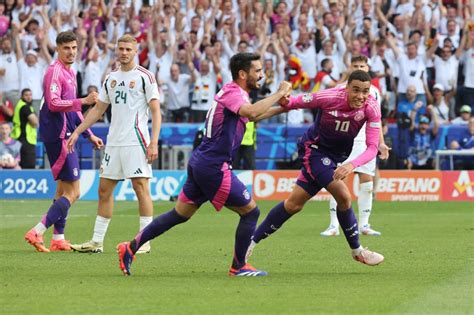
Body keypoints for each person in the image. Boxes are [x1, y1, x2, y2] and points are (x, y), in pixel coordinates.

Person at [115, 52, 292, 276]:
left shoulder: (237, 94)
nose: (261, 75)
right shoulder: (233, 91)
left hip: (202, 162)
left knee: (180, 214)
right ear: (242, 73)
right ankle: (239, 267)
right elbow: (252, 111)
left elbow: (253, 117)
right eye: (257, 71)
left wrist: (286, 108)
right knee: (250, 212)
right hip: (214, 166)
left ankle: (129, 248)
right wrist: (279, 93)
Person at [247, 70, 385, 267]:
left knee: (293, 204)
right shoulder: (328, 97)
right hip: (314, 150)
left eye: (365, 91)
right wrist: (284, 96)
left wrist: (350, 164)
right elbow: (292, 103)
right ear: (345, 88)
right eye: (355, 90)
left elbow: (373, 147)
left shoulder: (371, 106)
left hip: (337, 158)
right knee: (343, 195)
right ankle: (357, 251)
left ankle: (250, 241)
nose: (360, 96)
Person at [67, 35, 161, 254]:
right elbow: (98, 110)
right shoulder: (110, 78)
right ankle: (96, 242)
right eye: (120, 49)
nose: (124, 52)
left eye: (128, 49)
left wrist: (153, 142)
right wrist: (78, 131)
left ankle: (145, 241)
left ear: (135, 51)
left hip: (136, 140)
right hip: (114, 142)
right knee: (104, 190)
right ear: (116, 51)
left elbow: (155, 111)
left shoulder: (145, 76)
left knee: (140, 187)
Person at [24, 31, 102, 253]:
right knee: (74, 192)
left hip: (65, 132)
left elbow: (73, 112)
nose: (71, 52)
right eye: (66, 48)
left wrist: (89, 133)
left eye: (74, 48)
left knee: (62, 191)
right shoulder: (54, 72)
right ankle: (38, 230)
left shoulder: (70, 71)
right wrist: (84, 101)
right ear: (57, 49)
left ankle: (58, 238)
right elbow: (55, 104)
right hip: (58, 135)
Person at [321, 56, 390, 237]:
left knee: (366, 181)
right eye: (355, 65)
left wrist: (381, 142)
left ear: (367, 68)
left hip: (365, 141)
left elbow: (377, 119)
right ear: (349, 68)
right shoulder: (338, 89)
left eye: (362, 65)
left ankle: (364, 224)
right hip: (342, 140)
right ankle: (333, 225)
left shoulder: (374, 91)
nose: (359, 68)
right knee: (338, 181)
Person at [11, 89, 38, 169]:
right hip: (26, 140)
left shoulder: (20, 105)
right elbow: (35, 122)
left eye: (30, 95)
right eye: (26, 95)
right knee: (28, 167)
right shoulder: (25, 107)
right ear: (22, 96)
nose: (29, 97)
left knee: (20, 166)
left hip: (19, 139)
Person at [406, 105, 439, 170]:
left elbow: (436, 124)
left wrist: (432, 110)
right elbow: (411, 121)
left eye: (425, 124)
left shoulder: (430, 133)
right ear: (418, 125)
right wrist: (415, 108)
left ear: (428, 126)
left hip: (427, 160)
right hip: (414, 160)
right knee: (408, 163)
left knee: (435, 162)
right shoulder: (414, 132)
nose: (423, 126)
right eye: (421, 124)